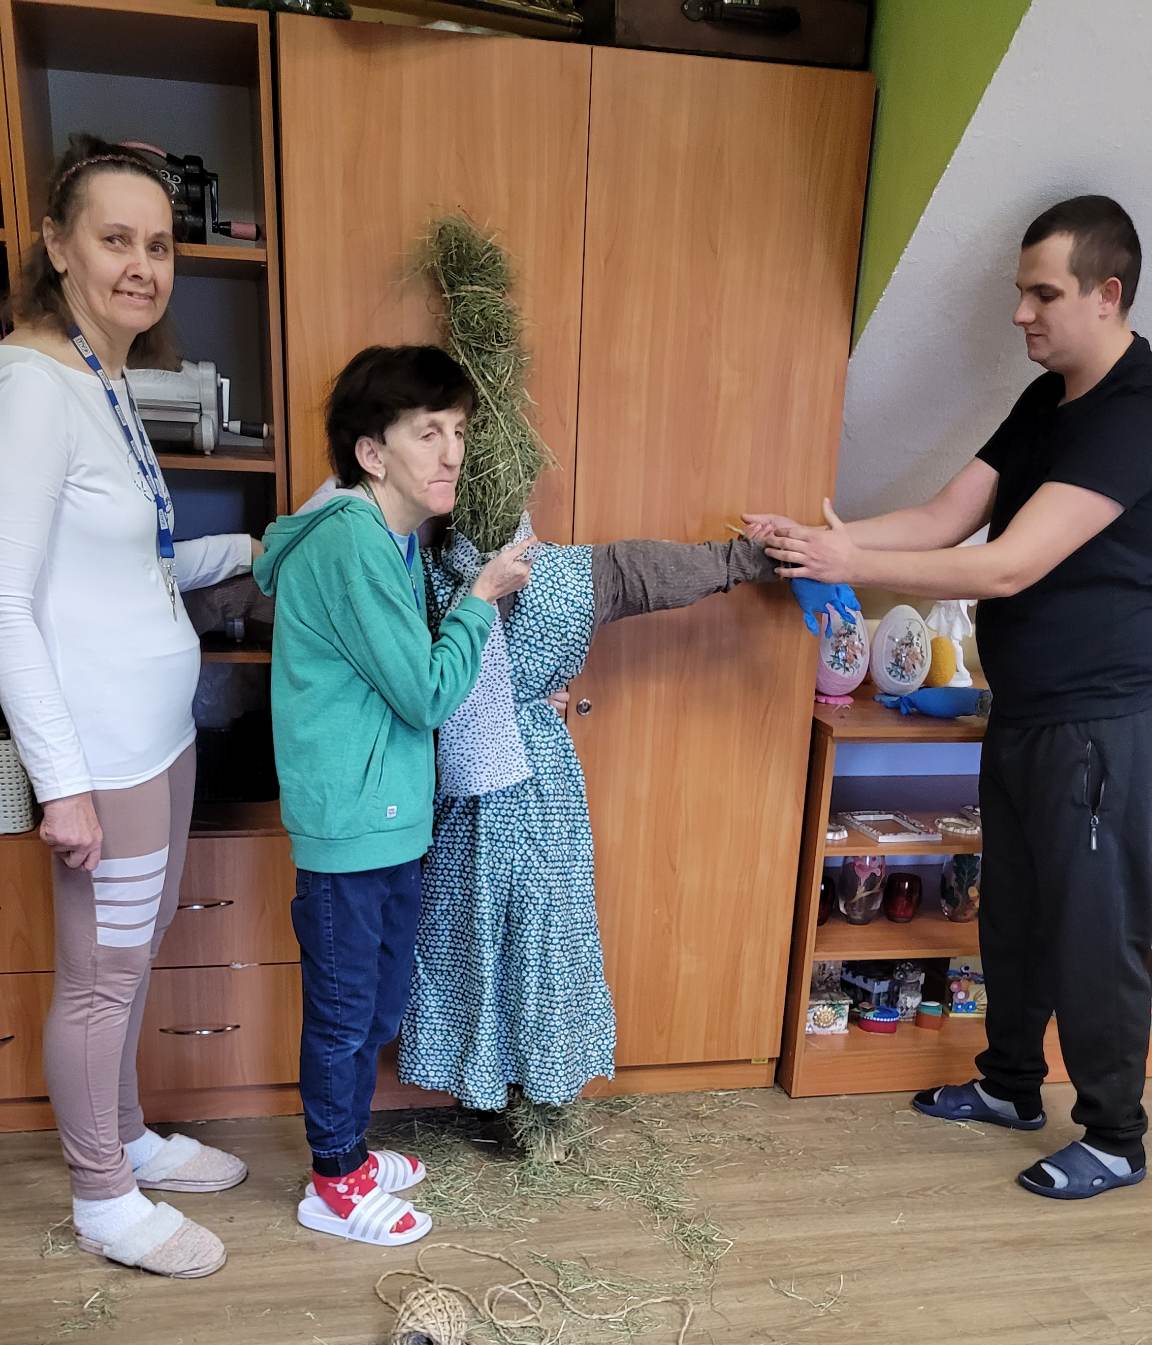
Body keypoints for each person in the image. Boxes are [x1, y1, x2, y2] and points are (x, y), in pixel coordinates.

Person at [749, 194, 1152, 1202]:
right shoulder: (1046, 400)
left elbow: (1008, 564)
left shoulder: (1138, 410)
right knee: (1011, 914)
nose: (1020, 312)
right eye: (1021, 291)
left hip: (1102, 723)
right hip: (1022, 709)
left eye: (1042, 294)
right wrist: (824, 541)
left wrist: (853, 561)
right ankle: (1011, 1084)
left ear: (1107, 293)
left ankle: (1114, 1136)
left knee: (1094, 933)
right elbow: (943, 516)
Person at [0, 136, 261, 1278]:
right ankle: (103, 1197)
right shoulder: (31, 388)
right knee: (100, 978)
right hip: (101, 755)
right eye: (115, 239)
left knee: (135, 954)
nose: (142, 266)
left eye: (158, 244)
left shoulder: (101, 376)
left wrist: (251, 548)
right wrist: (61, 786)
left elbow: (131, 564)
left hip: (159, 739)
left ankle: (130, 1137)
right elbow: (5, 602)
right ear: (58, 247)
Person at [253, 346, 533, 1245]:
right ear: (373, 453)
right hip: (350, 826)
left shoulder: (391, 536)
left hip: (388, 823)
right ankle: (333, 1181)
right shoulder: (350, 543)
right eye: (427, 433)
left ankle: (350, 1150)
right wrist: (481, 599)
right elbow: (425, 693)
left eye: (458, 431)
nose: (452, 452)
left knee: (373, 1008)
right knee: (345, 1016)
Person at [394, 529, 779, 1132]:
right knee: (537, 938)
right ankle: (535, 1103)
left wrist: (756, 558)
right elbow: (675, 569)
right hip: (526, 786)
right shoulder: (569, 575)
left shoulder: (422, 573)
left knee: (475, 934)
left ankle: (502, 1091)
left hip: (470, 783)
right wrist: (757, 556)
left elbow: (671, 570)